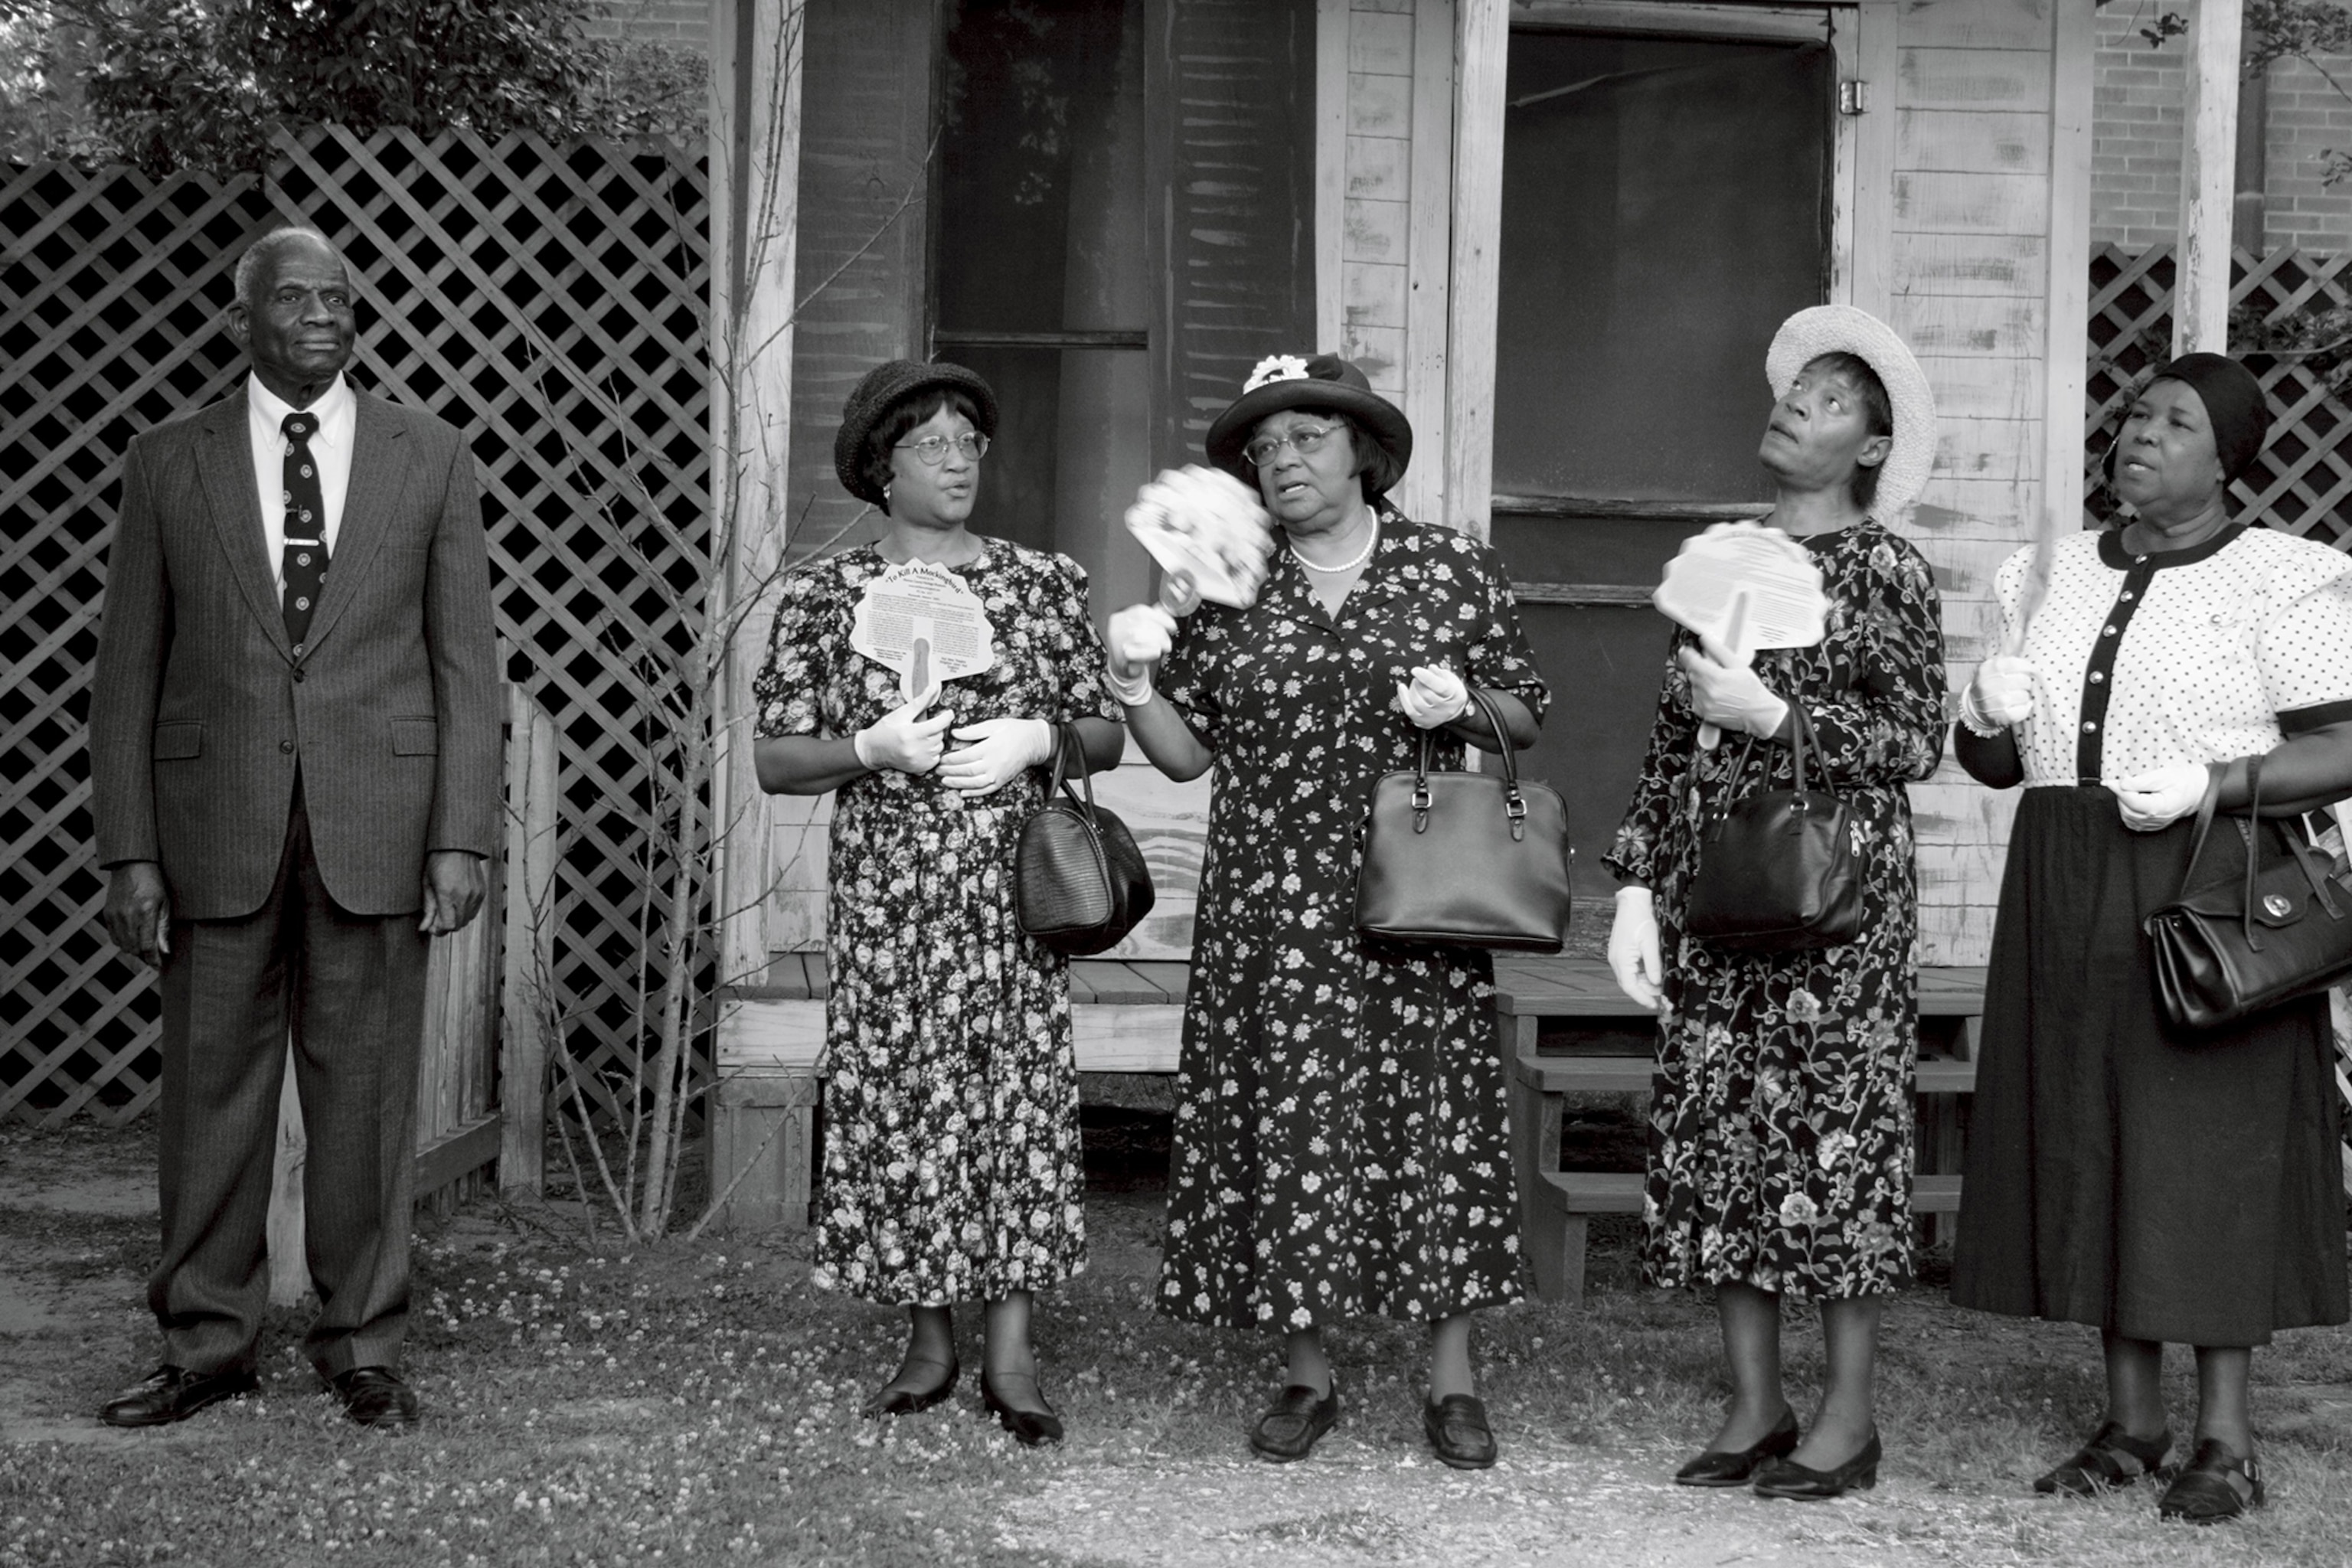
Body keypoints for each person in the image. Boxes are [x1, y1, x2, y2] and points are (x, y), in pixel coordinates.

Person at [87, 225, 500, 1432]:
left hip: (380, 821)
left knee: (368, 1100)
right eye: (296, 298)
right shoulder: (171, 462)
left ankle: (361, 1341)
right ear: (247, 315)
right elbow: (127, 674)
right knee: (210, 1092)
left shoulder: (431, 457)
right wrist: (131, 849)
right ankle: (208, 1342)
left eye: (340, 299)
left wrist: (459, 835)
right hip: (213, 825)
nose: (322, 316)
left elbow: (464, 665)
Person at [1107, 353, 1547, 1470]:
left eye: (1305, 438)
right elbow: (1185, 756)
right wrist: (1134, 683)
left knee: (1433, 1116)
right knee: (1294, 1120)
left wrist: (1464, 702)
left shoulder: (1449, 568)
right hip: (1273, 898)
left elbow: (1525, 717)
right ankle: (1308, 1372)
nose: (1283, 461)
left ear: (1363, 452)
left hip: (1417, 887)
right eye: (1264, 449)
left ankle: (1452, 1378)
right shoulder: (1228, 587)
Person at [1949, 352, 2352, 1524]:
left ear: (2228, 460)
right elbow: (1994, 765)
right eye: (2134, 415)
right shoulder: (2054, 574)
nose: (2141, 434)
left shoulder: (2282, 577)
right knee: (2092, 1128)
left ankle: (2226, 1440)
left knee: (2207, 1145)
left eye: (2177, 422)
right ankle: (2130, 1422)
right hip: (2067, 873)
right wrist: (1986, 709)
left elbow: (2344, 743)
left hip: (2204, 874)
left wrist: (2216, 782)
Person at [1604, 305, 1945, 1501]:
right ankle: (1756, 1405)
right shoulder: (1725, 559)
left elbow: (1915, 734)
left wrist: (1783, 718)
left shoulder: (1888, 567)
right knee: (1720, 1141)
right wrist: (1637, 886)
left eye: (1836, 397)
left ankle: (1848, 1420)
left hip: (1837, 902)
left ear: (1869, 447)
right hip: (1716, 891)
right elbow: (1665, 739)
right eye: (1800, 385)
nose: (1801, 400)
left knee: (1836, 1144)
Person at [750, 359, 1124, 1447]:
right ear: (881, 465)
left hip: (1018, 896)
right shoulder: (828, 595)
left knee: (1012, 1101)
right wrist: (865, 748)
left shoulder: (1040, 582)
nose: (959, 457)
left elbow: (1101, 729)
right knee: (908, 1102)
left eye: (972, 438)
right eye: (932, 442)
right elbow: (777, 758)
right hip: (894, 895)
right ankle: (929, 1337)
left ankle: (1011, 1350)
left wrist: (1040, 739)